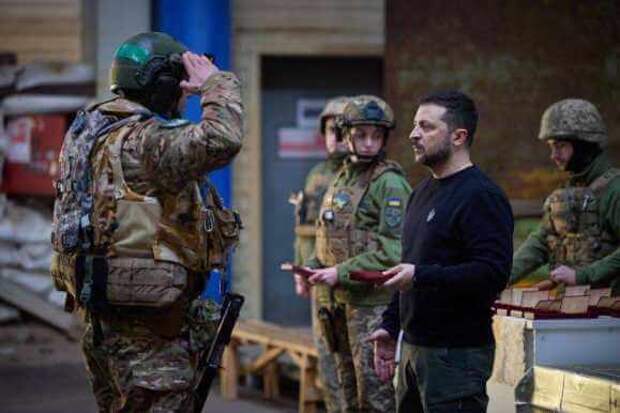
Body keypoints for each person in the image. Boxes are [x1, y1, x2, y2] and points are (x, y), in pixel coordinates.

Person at [49, 32, 243, 411]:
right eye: (179, 87)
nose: (184, 96)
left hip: (105, 324)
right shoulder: (145, 141)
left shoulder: (89, 132)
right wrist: (216, 84)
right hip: (150, 339)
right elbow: (222, 140)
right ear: (162, 85)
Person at [369, 91, 513, 413]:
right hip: (412, 350)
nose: (413, 134)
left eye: (426, 126)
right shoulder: (421, 193)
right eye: (414, 125)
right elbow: (409, 267)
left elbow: (492, 273)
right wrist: (390, 326)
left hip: (455, 357)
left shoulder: (481, 195)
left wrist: (420, 275)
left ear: (458, 136)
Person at [302, 95, 412, 412]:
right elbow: (330, 232)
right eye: (361, 135)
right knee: (345, 396)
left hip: (371, 307)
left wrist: (340, 272)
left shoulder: (390, 183)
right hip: (339, 304)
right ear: (346, 135)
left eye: (376, 136)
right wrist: (313, 264)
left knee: (374, 399)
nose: (368, 143)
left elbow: (394, 250)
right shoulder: (342, 177)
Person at [510, 99, 620, 295]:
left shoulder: (614, 190)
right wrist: (498, 278)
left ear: (583, 145)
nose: (553, 155)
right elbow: (541, 243)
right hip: (574, 306)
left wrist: (582, 276)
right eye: (552, 147)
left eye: (560, 146)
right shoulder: (567, 193)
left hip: (610, 308)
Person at [290, 97, 351, 413]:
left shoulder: (370, 175)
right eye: (330, 131)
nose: (336, 138)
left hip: (356, 282)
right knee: (328, 359)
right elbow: (304, 229)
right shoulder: (317, 175)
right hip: (321, 281)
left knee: (356, 366)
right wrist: (301, 271)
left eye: (343, 130)